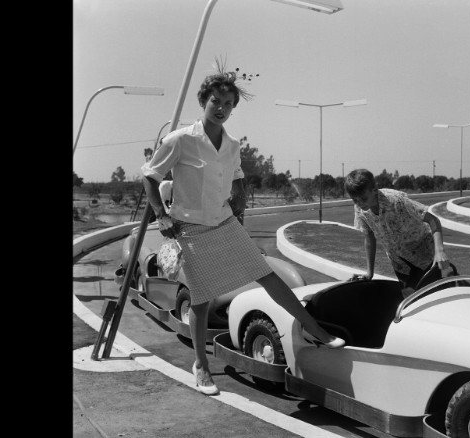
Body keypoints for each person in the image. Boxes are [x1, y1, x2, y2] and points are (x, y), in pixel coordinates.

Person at [141, 69, 344, 396]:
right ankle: (201, 365)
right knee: (201, 300)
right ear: (203, 101)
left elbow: (237, 175)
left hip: (224, 223)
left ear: (233, 108)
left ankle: (313, 329)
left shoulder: (232, 144)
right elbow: (150, 177)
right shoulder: (180, 140)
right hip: (191, 229)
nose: (220, 108)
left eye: (227, 103)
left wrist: (240, 197)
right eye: (214, 101)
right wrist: (162, 216)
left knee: (267, 274)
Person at [344, 169, 451, 295]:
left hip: (427, 258)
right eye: (355, 200)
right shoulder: (360, 210)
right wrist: (369, 273)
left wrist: (440, 252)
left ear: (374, 190)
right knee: (410, 300)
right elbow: (369, 237)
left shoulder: (397, 201)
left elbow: (433, 220)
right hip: (401, 264)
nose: (360, 203)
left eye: (363, 198)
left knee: (439, 296)